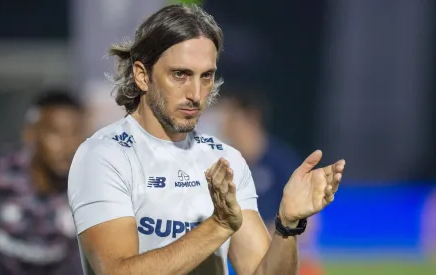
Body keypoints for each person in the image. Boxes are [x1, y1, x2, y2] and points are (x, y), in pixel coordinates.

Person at [68, 4, 346, 275]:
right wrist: (218, 226)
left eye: (206, 76)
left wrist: (287, 224)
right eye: (180, 74)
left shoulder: (225, 159)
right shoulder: (104, 156)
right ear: (142, 75)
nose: (196, 93)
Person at [0, 90, 85, 275]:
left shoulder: (86, 191)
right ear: (30, 135)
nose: (68, 145)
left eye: (75, 133)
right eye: (56, 133)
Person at [217, 90, 325, 275]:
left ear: (250, 117)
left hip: (289, 261)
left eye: (231, 117)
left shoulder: (281, 162)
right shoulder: (225, 165)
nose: (224, 124)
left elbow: (311, 222)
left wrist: (266, 234)